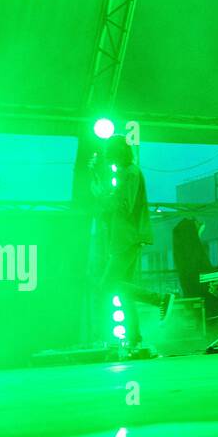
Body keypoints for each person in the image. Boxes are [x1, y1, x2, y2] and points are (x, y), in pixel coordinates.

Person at [90, 135, 174, 351]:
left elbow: (124, 206)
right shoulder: (127, 173)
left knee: (107, 285)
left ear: (119, 153)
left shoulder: (131, 174)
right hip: (124, 238)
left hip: (126, 239)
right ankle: (135, 337)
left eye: (111, 154)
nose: (110, 159)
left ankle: (160, 299)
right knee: (124, 290)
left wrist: (100, 193)